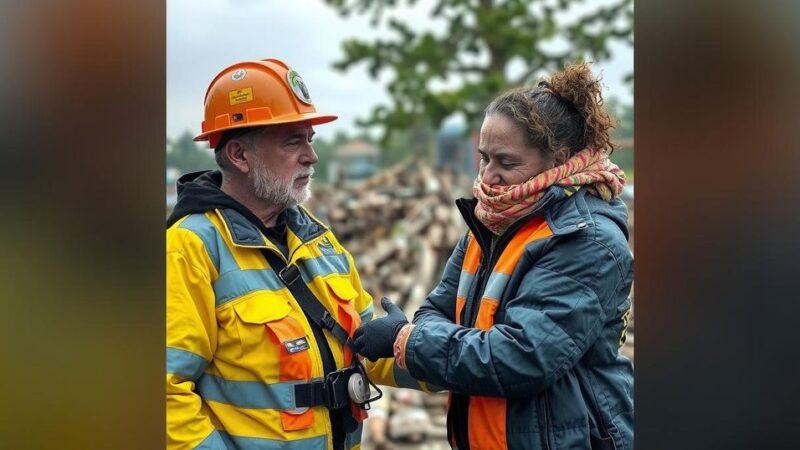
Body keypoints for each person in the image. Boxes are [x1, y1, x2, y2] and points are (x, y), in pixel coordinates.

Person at [353, 62, 634, 450]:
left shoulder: (588, 240)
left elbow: (523, 357)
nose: (488, 176)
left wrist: (409, 342)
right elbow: (436, 311)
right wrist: (422, 335)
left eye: (506, 162)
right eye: (484, 158)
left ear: (559, 159)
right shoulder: (490, 225)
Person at [165, 58, 425, 450]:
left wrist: (437, 359)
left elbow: (371, 349)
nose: (311, 156)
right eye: (293, 141)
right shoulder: (191, 248)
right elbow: (166, 394)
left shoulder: (318, 240)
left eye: (310, 139)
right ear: (239, 155)